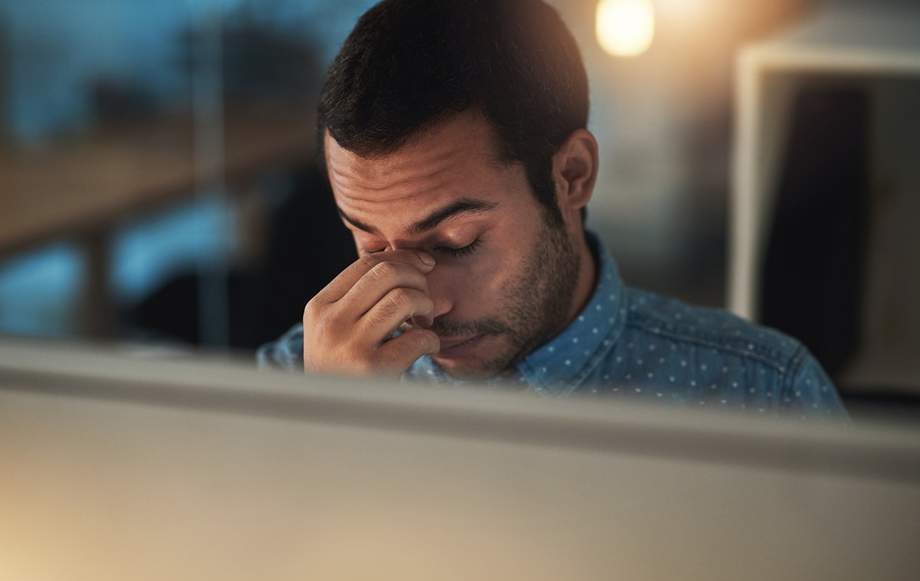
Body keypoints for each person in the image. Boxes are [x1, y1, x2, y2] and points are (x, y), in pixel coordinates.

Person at [258, 0, 846, 417]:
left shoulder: (759, 395)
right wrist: (329, 430)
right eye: (371, 245)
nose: (421, 305)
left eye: (456, 243)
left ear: (573, 176)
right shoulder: (296, 382)